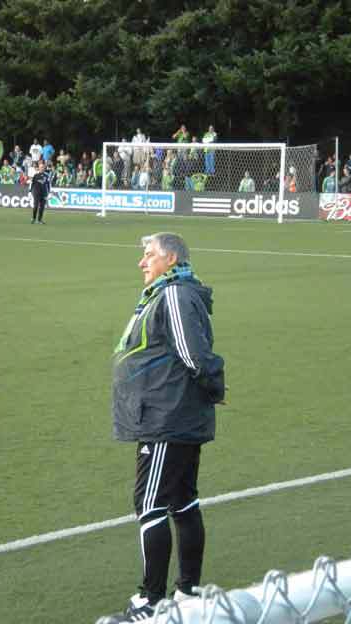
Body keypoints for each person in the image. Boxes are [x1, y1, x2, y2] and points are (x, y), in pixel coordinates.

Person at [111, 232, 226, 622]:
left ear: (171, 258)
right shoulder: (169, 292)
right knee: (183, 500)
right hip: (170, 414)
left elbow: (194, 356)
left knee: (151, 503)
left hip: (167, 418)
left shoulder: (175, 294)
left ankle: (152, 599)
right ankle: (188, 590)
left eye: (149, 255)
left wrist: (213, 386)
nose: (142, 262)